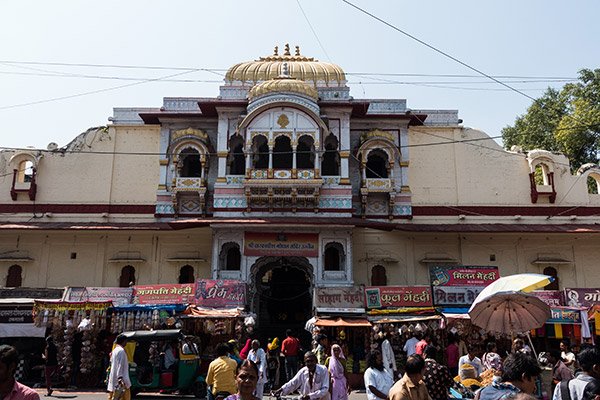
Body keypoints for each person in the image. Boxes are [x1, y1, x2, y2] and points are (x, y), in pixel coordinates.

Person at [477, 353, 541, 400]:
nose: (534, 386)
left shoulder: (482, 392)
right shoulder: (521, 398)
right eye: (534, 379)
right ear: (525, 377)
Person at [107, 334, 132, 400]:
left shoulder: (115, 350)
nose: (126, 343)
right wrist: (120, 378)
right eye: (126, 341)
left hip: (114, 377)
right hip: (122, 379)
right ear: (123, 341)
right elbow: (120, 365)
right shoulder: (121, 351)